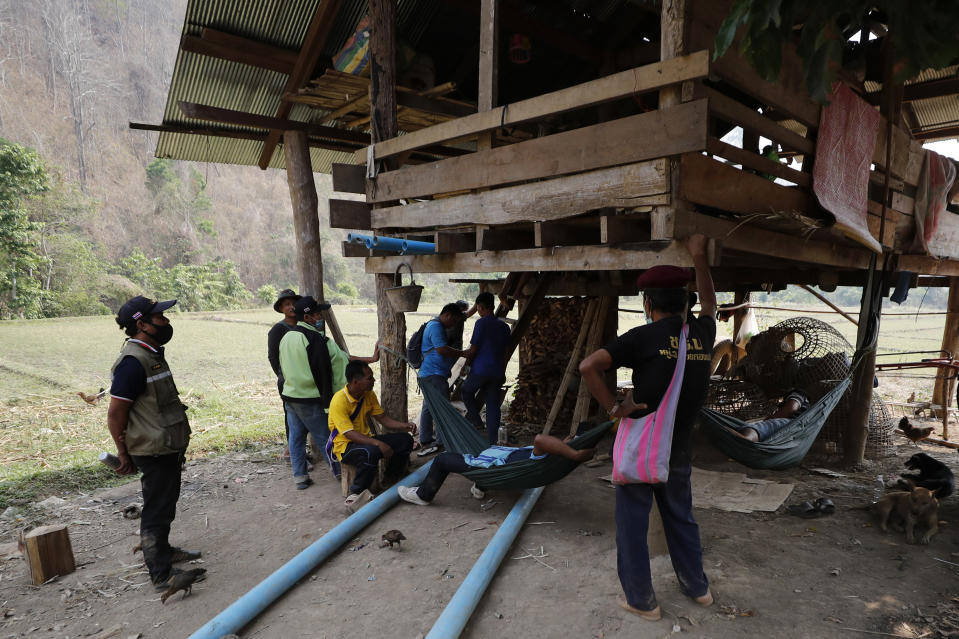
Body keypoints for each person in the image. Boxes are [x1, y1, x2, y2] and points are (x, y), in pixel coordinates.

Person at [579, 234, 717, 621]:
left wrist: (612, 408)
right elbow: (710, 303)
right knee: (681, 518)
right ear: (685, 302)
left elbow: (588, 367)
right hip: (679, 450)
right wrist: (699, 256)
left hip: (642, 448)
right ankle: (698, 589)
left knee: (632, 527)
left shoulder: (642, 337)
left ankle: (643, 601)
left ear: (648, 303)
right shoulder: (703, 335)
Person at [106, 296, 201, 593]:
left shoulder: (152, 354)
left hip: (166, 444)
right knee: (157, 510)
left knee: (164, 505)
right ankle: (161, 574)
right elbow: (116, 413)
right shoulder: (133, 363)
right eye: (160, 318)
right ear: (141, 324)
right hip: (153, 449)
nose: (166, 322)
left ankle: (164, 550)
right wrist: (123, 452)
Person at [279, 296, 379, 489]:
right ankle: (342, 477)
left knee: (296, 437)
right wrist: (328, 401)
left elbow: (282, 365)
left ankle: (300, 477)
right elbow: (323, 371)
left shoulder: (288, 336)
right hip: (310, 397)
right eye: (317, 313)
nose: (320, 317)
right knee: (326, 437)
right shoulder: (315, 339)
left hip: (291, 395)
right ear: (307, 318)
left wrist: (369, 358)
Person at [397, 434, 594, 505]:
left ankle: (423, 495)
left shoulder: (543, 454)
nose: (566, 439)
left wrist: (575, 455)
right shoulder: (553, 457)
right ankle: (481, 485)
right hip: (499, 464)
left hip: (492, 468)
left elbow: (540, 439)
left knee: (442, 459)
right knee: (480, 450)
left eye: (571, 440)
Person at [328, 361, 417, 505]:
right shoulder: (339, 400)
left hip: (366, 440)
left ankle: (391, 479)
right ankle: (356, 493)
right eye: (369, 378)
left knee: (405, 440)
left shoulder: (368, 395)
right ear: (356, 382)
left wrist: (405, 426)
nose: (374, 380)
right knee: (372, 452)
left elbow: (383, 419)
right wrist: (378, 443)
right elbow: (349, 434)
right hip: (345, 447)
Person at [416, 303, 469, 456]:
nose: (453, 325)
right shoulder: (436, 327)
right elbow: (442, 349)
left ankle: (425, 439)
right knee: (442, 408)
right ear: (448, 315)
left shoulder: (434, 325)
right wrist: (463, 353)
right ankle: (441, 441)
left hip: (429, 373)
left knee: (428, 407)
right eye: (454, 321)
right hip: (435, 373)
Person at [461, 292, 511, 444]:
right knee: (492, 405)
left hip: (481, 369)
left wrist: (466, 364)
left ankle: (476, 422)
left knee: (466, 391)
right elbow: (505, 353)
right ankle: (493, 441)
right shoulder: (504, 327)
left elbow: (474, 349)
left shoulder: (481, 323)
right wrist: (502, 371)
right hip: (497, 371)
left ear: (480, 307)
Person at [267, 288, 301, 460]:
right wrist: (283, 376)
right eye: (287, 304)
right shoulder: (278, 330)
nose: (291, 307)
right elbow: (273, 357)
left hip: (305, 381)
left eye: (294, 303)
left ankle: (293, 452)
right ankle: (293, 455)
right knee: (292, 417)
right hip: (288, 382)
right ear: (281, 308)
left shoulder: (305, 325)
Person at [724, 389, 810, 442]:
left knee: (758, 427)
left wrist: (768, 419)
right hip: (794, 429)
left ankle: (746, 439)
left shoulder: (798, 393)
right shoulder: (811, 410)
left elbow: (790, 409)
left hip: (789, 423)